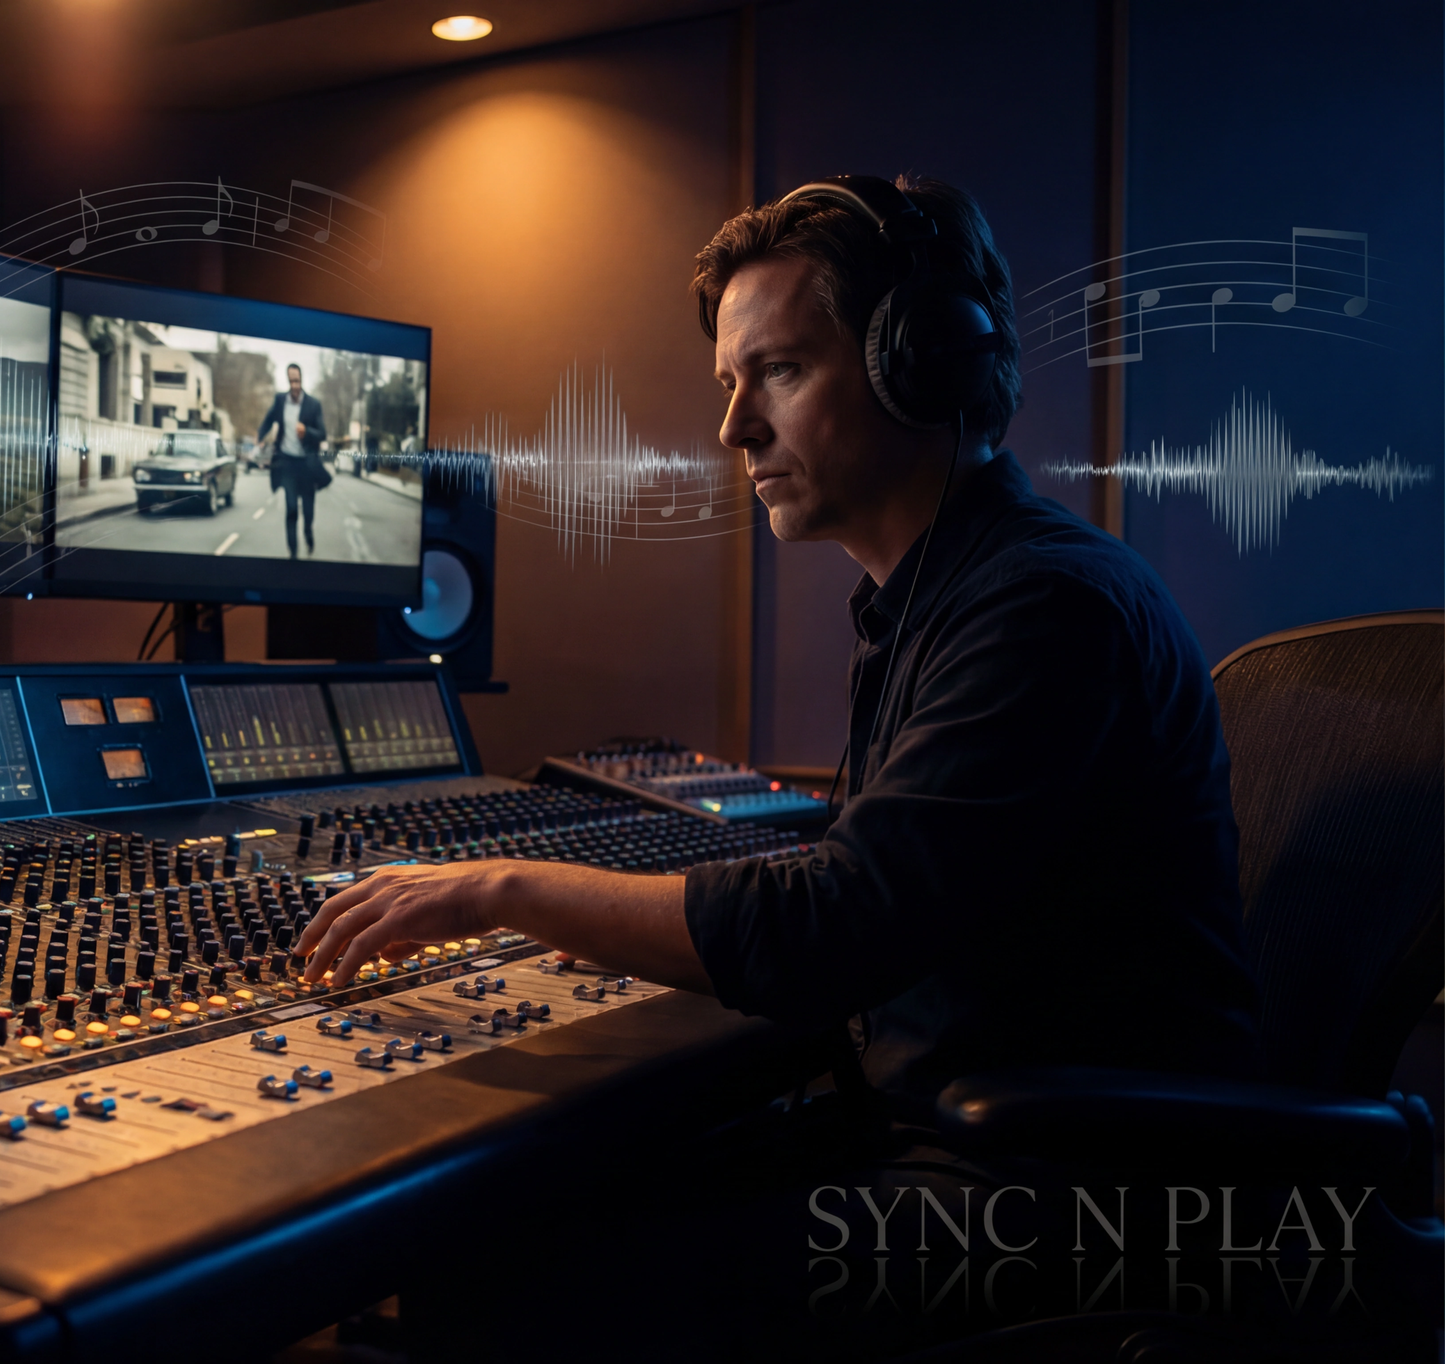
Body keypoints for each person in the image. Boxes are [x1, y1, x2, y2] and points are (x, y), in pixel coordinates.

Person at [301, 175, 1262, 1357]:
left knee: (510, 1268)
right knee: (543, 1208)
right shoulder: (936, 601)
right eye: (728, 383)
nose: (733, 428)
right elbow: (872, 883)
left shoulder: (1040, 608)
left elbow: (831, 926)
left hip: (1059, 1191)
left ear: (923, 366)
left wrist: (501, 886)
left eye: (781, 372)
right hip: (975, 1140)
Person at [256, 362, 330, 557]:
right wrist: (260, 436)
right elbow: (268, 419)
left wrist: (307, 431)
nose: (294, 386)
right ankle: (293, 551)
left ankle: (308, 532)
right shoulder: (280, 400)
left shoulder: (313, 404)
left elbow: (323, 434)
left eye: (297, 381)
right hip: (287, 462)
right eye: (291, 381)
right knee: (290, 508)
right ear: (288, 381)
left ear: (302, 380)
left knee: (307, 511)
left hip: (306, 465)